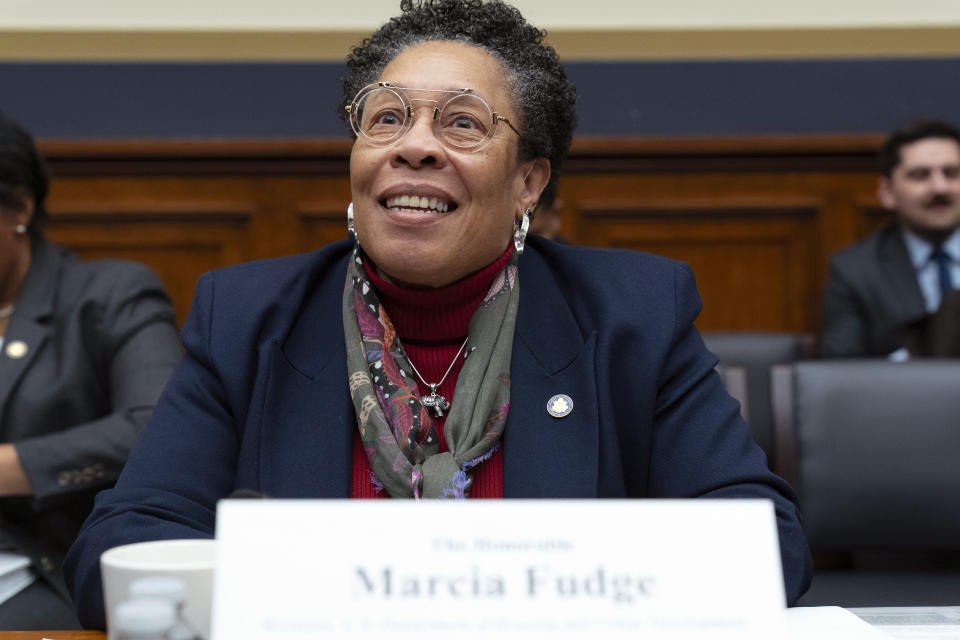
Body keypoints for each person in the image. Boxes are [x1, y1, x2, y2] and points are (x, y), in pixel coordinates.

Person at [64, 0, 811, 626]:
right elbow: (119, 549)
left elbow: (765, 546)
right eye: (385, 118)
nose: (414, 147)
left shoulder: (632, 314)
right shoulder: (249, 318)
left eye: (462, 124)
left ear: (529, 183)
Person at [0, 112, 182, 629]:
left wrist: (11, 467)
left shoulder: (108, 296)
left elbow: (152, 426)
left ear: (18, 207)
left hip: (38, 570)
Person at [821, 119, 960, 358]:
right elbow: (840, 373)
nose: (940, 187)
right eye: (920, 175)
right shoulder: (855, 271)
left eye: (952, 173)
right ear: (887, 192)